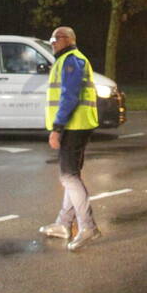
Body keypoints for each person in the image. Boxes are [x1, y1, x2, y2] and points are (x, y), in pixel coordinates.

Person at [38, 26, 102, 251]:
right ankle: (63, 224)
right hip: (77, 125)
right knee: (70, 175)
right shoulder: (68, 60)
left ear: (68, 39)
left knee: (69, 177)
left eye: (56, 38)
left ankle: (88, 227)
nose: (52, 42)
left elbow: (70, 96)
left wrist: (57, 128)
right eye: (51, 39)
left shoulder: (71, 60)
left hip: (74, 126)